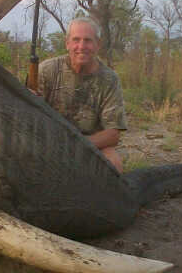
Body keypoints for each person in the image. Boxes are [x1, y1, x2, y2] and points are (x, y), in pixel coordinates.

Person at [37, 17, 127, 172]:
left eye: (88, 40)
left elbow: (113, 134)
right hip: (50, 142)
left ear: (97, 45)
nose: (81, 46)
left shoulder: (109, 79)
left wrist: (75, 145)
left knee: (114, 163)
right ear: (67, 44)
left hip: (91, 145)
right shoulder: (46, 70)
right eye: (76, 40)